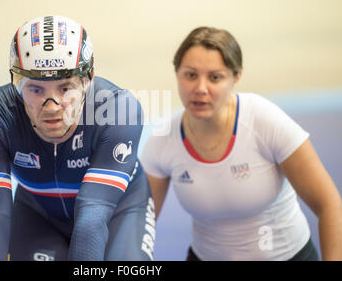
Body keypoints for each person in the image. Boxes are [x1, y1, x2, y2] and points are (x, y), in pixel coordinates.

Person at [140, 26, 342, 261]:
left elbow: (329, 205)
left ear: (236, 77)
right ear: (177, 74)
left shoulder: (265, 121)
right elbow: (138, 223)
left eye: (215, 77)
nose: (200, 88)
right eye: (190, 75)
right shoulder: (163, 139)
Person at [0, 15, 155, 261]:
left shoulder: (119, 110)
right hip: (38, 214)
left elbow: (92, 218)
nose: (51, 106)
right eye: (35, 89)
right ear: (16, 85)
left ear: (88, 80)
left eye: (65, 88)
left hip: (118, 211)